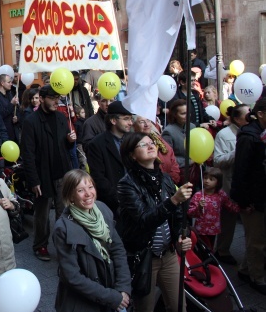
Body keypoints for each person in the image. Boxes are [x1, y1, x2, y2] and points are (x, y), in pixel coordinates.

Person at [117, 132, 193, 312]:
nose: (151, 146)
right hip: (144, 257)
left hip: (168, 254)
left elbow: (179, 217)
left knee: (179, 306)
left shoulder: (165, 178)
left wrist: (182, 237)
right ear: (132, 155)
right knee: (145, 308)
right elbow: (144, 219)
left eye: (152, 143)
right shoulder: (126, 185)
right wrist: (173, 200)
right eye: (143, 145)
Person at [53, 170, 131, 312]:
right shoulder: (63, 228)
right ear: (71, 196)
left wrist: (123, 288)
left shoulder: (103, 209)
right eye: (80, 190)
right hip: (83, 303)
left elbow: (118, 250)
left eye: (90, 187)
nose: (88, 194)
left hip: (113, 293)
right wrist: (111, 297)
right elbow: (72, 277)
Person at [21, 85, 76, 261]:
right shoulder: (31, 121)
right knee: (42, 215)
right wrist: (34, 180)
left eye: (58, 98)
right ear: (42, 99)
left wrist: (69, 141)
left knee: (64, 212)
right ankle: (40, 245)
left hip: (63, 173)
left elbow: (64, 146)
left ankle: (63, 245)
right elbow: (28, 154)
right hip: (43, 175)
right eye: (52, 98)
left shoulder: (60, 117)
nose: (56, 101)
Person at [231, 98, 266, 295]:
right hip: (252, 199)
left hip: (259, 195)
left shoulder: (259, 133)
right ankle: (257, 278)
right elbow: (241, 171)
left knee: (257, 237)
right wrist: (244, 201)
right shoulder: (249, 137)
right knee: (256, 241)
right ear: (260, 114)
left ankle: (246, 270)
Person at [213, 103, 250, 265]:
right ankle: (222, 250)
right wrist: (237, 151)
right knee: (228, 221)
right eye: (246, 115)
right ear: (236, 118)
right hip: (229, 184)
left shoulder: (254, 133)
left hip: (247, 185)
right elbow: (218, 160)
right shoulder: (224, 134)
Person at [187, 167, 240, 249]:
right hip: (201, 229)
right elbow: (190, 213)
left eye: (211, 179)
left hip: (213, 230)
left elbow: (230, 206)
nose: (207, 181)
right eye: (205, 178)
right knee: (200, 249)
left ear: (218, 182)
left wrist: (242, 209)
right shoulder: (198, 195)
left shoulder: (221, 194)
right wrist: (199, 207)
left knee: (210, 248)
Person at [133, 115, 180, 184]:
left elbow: (172, 159)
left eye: (148, 120)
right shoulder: (133, 143)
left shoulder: (158, 139)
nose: (146, 124)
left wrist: (169, 182)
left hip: (169, 184)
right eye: (142, 122)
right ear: (134, 126)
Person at [162, 99, 198, 184]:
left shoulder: (192, 127)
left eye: (187, 113)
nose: (187, 116)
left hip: (196, 170)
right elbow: (168, 158)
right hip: (181, 173)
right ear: (175, 115)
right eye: (183, 114)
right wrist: (189, 162)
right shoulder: (168, 132)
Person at [0, 74, 19, 143]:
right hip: (4, 132)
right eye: (9, 82)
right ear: (2, 83)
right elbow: (0, 114)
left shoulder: (9, 94)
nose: (11, 84)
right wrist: (11, 104)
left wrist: (16, 117)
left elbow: (15, 110)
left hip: (13, 130)